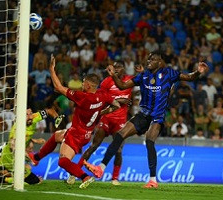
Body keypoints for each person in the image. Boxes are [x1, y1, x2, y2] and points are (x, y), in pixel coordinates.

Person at [83, 51, 208, 188]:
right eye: (148, 59)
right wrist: (113, 75)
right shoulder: (143, 75)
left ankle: (153, 180)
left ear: (159, 62)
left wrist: (198, 71)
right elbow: (122, 86)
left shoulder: (168, 73)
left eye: (152, 59)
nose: (149, 61)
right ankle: (101, 167)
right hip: (143, 114)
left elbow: (188, 77)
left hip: (158, 116)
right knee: (120, 135)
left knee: (149, 141)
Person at [28, 55, 120, 189]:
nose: (82, 84)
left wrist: (51, 69)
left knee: (63, 161)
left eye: (83, 82)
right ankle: (36, 158)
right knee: (57, 135)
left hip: (77, 133)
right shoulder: (103, 94)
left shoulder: (82, 97)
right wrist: (103, 112)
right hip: (87, 135)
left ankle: (85, 177)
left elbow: (59, 87)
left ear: (88, 85)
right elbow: (117, 105)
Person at [66, 61, 134, 186]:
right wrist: (120, 100)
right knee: (94, 146)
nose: (116, 69)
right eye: (114, 67)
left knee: (118, 150)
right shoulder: (107, 82)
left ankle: (114, 178)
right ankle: (74, 173)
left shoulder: (130, 81)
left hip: (120, 121)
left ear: (124, 68)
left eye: (119, 67)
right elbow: (99, 98)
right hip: (106, 118)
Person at [0, 108, 60, 183]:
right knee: (28, 177)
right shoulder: (16, 129)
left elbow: (49, 111)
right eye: (27, 115)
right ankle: (5, 180)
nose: (30, 116)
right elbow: (13, 145)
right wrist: (28, 157)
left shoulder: (34, 117)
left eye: (31, 113)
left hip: (15, 151)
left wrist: (56, 117)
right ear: (21, 116)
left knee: (0, 165)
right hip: (11, 153)